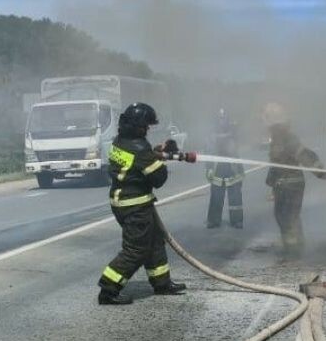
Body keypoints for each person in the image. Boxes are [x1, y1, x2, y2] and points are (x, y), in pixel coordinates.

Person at [97, 102, 187, 305]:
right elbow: (159, 179)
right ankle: (108, 290)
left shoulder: (120, 142)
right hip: (135, 206)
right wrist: (161, 160)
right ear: (138, 126)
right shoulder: (139, 148)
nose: (148, 129)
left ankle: (162, 283)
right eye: (146, 126)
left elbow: (137, 160)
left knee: (154, 241)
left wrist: (158, 151)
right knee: (136, 250)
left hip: (124, 202)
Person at [262, 104, 326, 258]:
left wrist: (320, 172)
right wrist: (271, 183)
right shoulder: (281, 139)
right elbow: (276, 165)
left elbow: (303, 155)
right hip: (289, 184)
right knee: (291, 216)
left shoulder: (284, 139)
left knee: (285, 216)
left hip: (288, 185)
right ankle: (296, 246)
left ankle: (293, 251)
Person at [206, 108, 245, 228]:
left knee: (235, 197)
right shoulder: (211, 133)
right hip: (217, 168)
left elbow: (234, 147)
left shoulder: (233, 131)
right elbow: (208, 150)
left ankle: (237, 220)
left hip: (232, 168)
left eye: (223, 118)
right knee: (216, 196)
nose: (221, 121)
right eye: (220, 118)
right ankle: (213, 220)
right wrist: (209, 168)